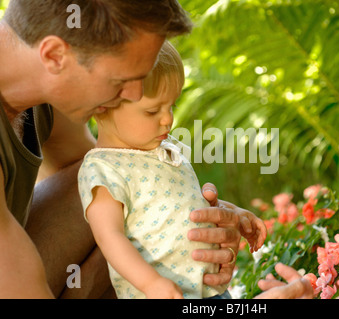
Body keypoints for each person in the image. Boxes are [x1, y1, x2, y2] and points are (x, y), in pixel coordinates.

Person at [0, 0, 260, 298]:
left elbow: (123, 181)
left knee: (110, 185)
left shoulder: (44, 89)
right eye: (122, 80)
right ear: (55, 56)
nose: (135, 95)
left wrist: (191, 221)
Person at [77, 41, 267, 299]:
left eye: (172, 106)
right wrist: (151, 283)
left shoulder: (166, 149)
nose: (168, 119)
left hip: (208, 291)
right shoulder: (104, 168)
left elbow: (183, 205)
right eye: (153, 110)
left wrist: (237, 213)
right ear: (102, 106)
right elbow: (109, 236)